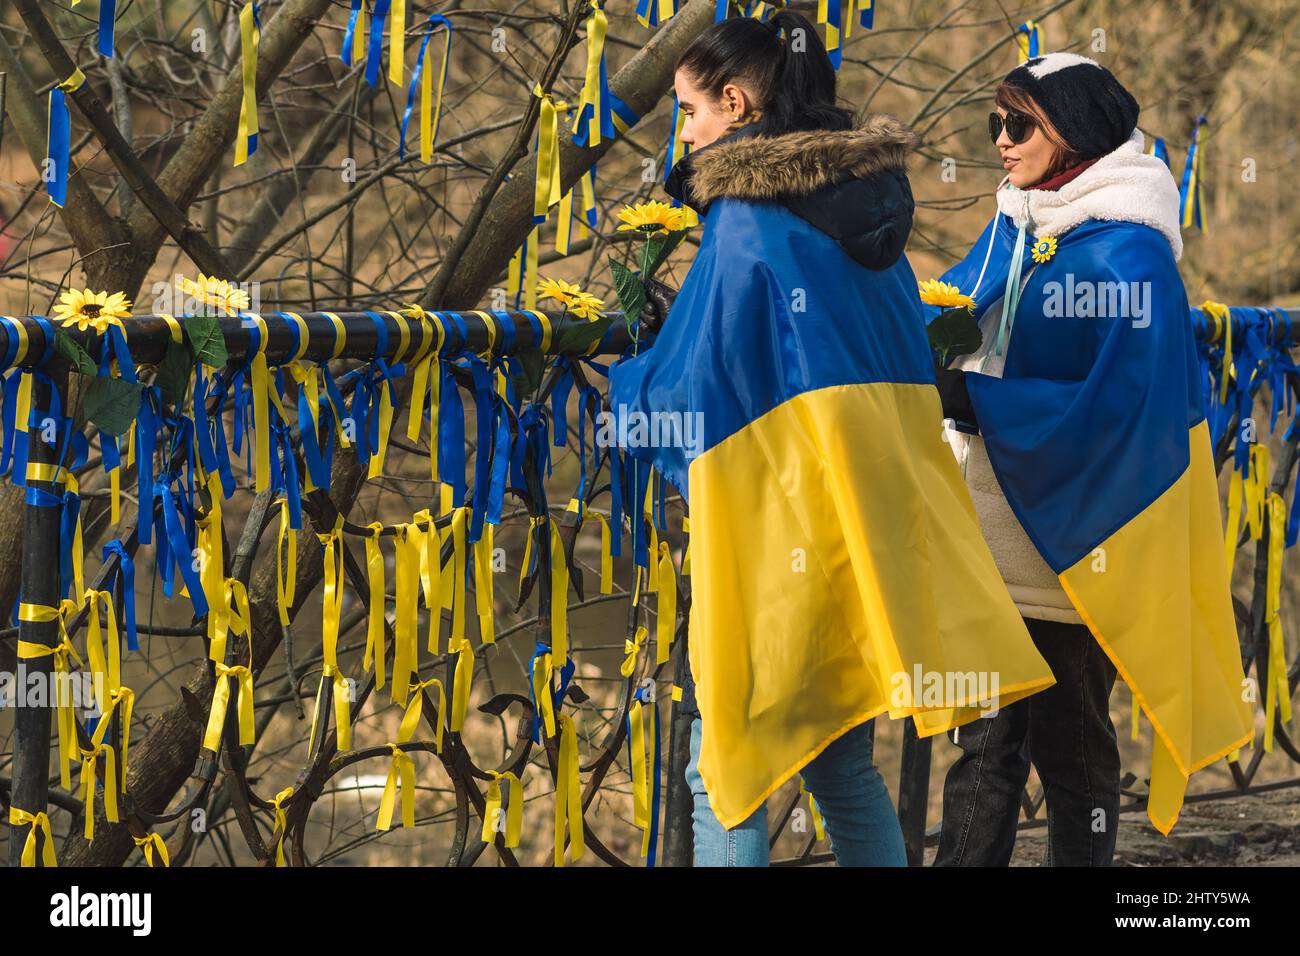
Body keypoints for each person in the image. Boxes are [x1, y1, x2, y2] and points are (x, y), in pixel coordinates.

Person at [608, 11, 1056, 867]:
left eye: (690, 111)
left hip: (779, 520)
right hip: (869, 517)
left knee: (727, 762)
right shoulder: (871, 219)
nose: (685, 132)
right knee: (837, 752)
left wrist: (626, 379)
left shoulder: (747, 220)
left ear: (736, 104)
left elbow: (695, 388)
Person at [931, 52, 1254, 866]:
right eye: (994, 123)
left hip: (1078, 554)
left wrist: (978, 398)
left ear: (1071, 130)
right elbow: (959, 320)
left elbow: (1123, 413)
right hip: (989, 528)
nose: (999, 142)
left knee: (1071, 755)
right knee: (982, 748)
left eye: (1018, 125)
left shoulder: (1129, 256)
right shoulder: (1015, 222)